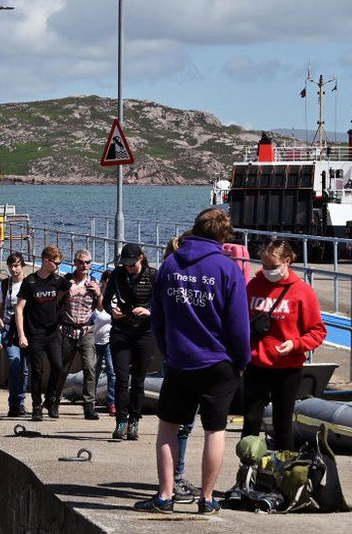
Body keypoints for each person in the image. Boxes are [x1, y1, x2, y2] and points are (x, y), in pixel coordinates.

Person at [134, 208, 251, 515]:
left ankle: (165, 495)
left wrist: (168, 351)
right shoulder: (227, 269)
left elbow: (157, 317)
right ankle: (208, 498)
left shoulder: (170, 265)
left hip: (180, 361)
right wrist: (242, 360)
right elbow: (239, 325)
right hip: (219, 362)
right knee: (215, 429)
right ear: (223, 236)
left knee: (168, 427)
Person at [242, 239, 327, 451]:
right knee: (251, 420)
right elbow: (240, 321)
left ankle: (284, 475)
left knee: (283, 423)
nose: (268, 271)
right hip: (257, 364)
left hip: (287, 367)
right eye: (265, 266)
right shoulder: (253, 286)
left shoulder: (302, 292)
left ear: (287, 261)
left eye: (274, 266)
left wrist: (295, 344)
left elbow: (317, 331)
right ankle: (246, 472)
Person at [103, 242, 158, 440]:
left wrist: (149, 311)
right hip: (121, 331)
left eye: (132, 264)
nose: (129, 268)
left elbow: (162, 302)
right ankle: (121, 421)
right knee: (121, 378)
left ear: (140, 259)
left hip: (144, 332)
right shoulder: (117, 275)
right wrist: (112, 311)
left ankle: (135, 420)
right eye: (125, 264)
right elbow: (105, 300)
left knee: (138, 380)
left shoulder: (153, 275)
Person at [15, 246, 71, 422]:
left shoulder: (57, 280)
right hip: (35, 333)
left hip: (53, 332)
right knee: (37, 371)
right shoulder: (30, 282)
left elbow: (72, 289)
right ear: (46, 261)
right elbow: (19, 309)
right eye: (56, 263)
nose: (58, 266)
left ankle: (51, 399)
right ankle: (36, 406)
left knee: (58, 366)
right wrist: (22, 335)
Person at [52, 249, 101, 420]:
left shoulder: (93, 282)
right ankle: (54, 401)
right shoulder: (66, 281)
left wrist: (98, 293)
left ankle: (89, 405)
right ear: (75, 263)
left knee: (89, 367)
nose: (84, 266)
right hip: (68, 329)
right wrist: (65, 291)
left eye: (87, 262)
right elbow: (55, 302)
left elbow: (101, 308)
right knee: (63, 368)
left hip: (87, 329)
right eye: (81, 262)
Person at [0, 252, 29, 417]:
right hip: (9, 330)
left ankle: (21, 401)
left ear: (22, 266)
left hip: (27, 331)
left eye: (16, 266)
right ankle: (14, 403)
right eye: (11, 266)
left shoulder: (29, 284)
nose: (13, 270)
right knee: (15, 365)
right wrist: (2, 326)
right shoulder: (5, 285)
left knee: (25, 369)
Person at [93, 270, 116, 416]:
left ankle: (111, 401)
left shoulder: (115, 297)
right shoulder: (96, 296)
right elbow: (100, 309)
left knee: (111, 370)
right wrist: (100, 293)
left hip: (109, 338)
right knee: (93, 370)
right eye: (107, 281)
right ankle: (91, 398)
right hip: (94, 338)